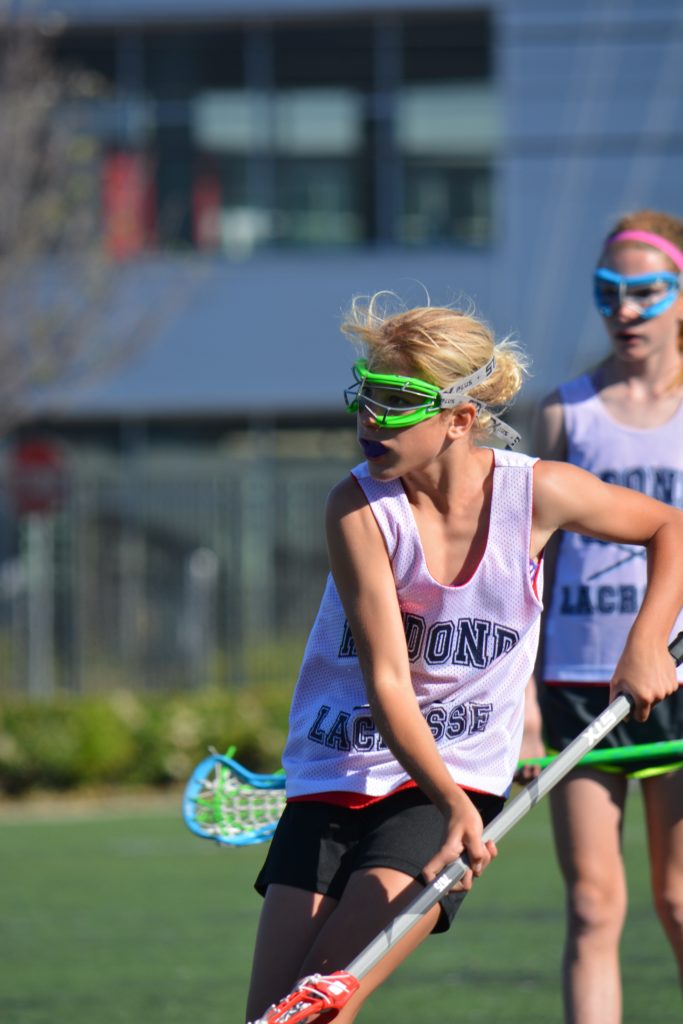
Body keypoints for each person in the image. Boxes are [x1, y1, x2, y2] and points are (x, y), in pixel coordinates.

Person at [245, 292, 683, 1024]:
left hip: (445, 784)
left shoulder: (535, 493)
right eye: (366, 395)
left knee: (318, 1008)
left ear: (459, 419)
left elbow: (670, 528)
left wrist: (645, 642)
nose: (370, 418)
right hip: (338, 770)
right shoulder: (357, 508)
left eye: (398, 403)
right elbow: (389, 681)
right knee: (271, 1019)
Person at [523, 210, 683, 1024]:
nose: (623, 309)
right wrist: (522, 697)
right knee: (591, 904)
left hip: (675, 681)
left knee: (679, 899)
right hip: (577, 682)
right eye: (607, 291)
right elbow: (529, 566)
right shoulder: (565, 412)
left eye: (644, 292)